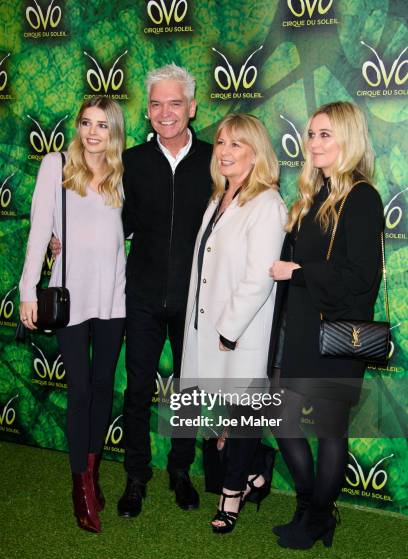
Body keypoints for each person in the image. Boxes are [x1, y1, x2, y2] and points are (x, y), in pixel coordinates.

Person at [268, 101, 384, 549]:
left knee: (330, 432)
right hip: (300, 332)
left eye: (325, 134)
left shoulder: (361, 198)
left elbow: (360, 277)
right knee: (283, 420)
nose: (313, 142)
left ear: (348, 140)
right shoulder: (313, 194)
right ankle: (307, 505)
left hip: (337, 335)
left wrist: (297, 272)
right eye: (311, 134)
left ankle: (319, 517)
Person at [19, 96, 126, 533]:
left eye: (102, 125)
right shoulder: (56, 163)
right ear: (78, 126)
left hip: (114, 297)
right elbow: (39, 229)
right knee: (79, 391)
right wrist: (28, 290)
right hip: (69, 297)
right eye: (86, 123)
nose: (93, 132)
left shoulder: (123, 173)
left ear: (114, 131)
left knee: (103, 388)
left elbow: (125, 228)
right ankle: (80, 486)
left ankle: (93, 469)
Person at [180, 113, 287, 533]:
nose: (224, 151)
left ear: (256, 152)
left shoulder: (267, 203)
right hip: (210, 328)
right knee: (230, 411)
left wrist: (229, 329)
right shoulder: (218, 199)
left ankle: (231, 496)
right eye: (222, 142)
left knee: (243, 413)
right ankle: (257, 471)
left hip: (240, 332)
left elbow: (259, 274)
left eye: (236, 144)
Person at [117, 64, 213, 518]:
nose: (165, 112)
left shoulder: (216, 161)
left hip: (194, 302)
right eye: (156, 104)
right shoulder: (131, 162)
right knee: (137, 390)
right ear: (148, 111)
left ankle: (180, 471)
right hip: (140, 297)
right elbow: (114, 223)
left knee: (189, 392)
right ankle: (136, 477)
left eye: (175, 103)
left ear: (192, 108)